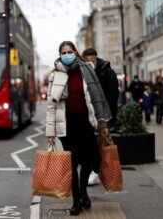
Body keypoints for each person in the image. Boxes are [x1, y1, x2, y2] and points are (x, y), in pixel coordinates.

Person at [46, 41, 111, 215]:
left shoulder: (87, 70)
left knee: (88, 162)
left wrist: (103, 124)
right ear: (60, 55)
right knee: (72, 165)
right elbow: (51, 107)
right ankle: (76, 200)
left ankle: (83, 191)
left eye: (69, 51)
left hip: (85, 124)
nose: (67, 54)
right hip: (67, 127)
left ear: (75, 52)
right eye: (63, 52)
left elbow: (97, 100)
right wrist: (50, 132)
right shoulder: (55, 76)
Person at [82, 48, 119, 186]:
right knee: (91, 144)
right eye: (87, 60)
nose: (90, 62)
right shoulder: (85, 73)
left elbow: (113, 96)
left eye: (92, 59)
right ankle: (93, 170)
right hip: (89, 114)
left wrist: (108, 116)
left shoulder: (107, 72)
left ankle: (96, 172)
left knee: (102, 143)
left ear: (96, 58)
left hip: (104, 114)